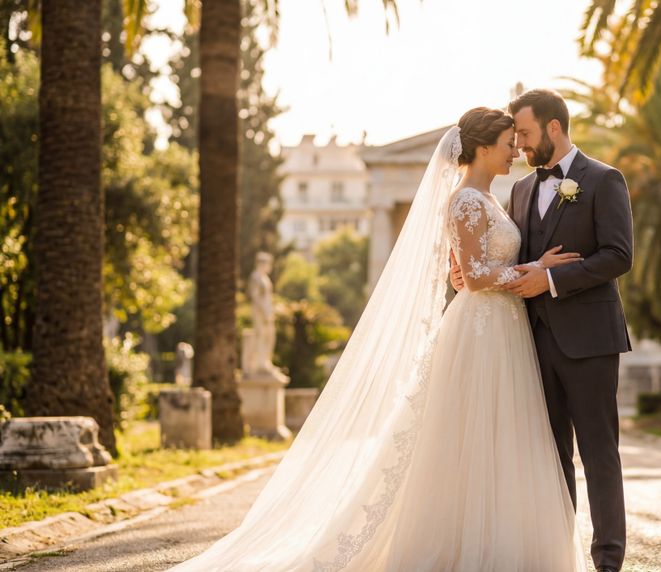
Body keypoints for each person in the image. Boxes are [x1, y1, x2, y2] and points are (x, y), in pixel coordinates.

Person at [167, 108, 589, 571]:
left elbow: (470, 270)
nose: (516, 150)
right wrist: (536, 269)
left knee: (500, 435)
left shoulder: (490, 199)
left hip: (504, 327)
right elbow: (472, 276)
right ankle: (462, 546)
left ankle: (499, 544)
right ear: (485, 147)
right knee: (469, 433)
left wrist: (516, 268)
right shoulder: (466, 200)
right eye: (510, 141)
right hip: (479, 331)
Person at [451, 88, 633, 572]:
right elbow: (504, 255)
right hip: (529, 341)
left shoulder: (604, 180)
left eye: (526, 136)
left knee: (599, 452)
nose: (522, 148)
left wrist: (550, 278)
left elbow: (619, 256)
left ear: (554, 128)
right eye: (515, 139)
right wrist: (469, 274)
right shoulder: (522, 190)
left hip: (590, 340)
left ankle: (608, 560)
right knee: (550, 456)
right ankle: (557, 554)